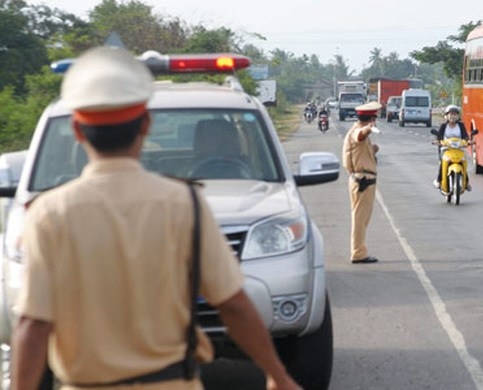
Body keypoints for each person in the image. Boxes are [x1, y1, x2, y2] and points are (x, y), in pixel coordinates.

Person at [10, 46, 300, 390]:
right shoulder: (185, 204)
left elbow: (34, 324)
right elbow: (233, 305)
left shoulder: (49, 213)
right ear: (145, 125)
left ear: (77, 130)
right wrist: (277, 375)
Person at [342, 101, 382, 264]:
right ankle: (358, 253)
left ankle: (359, 250)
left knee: (362, 218)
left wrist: (372, 150)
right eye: (374, 119)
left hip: (363, 180)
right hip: (362, 180)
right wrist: (368, 128)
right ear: (370, 119)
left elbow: (359, 149)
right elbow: (360, 135)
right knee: (359, 218)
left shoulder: (358, 133)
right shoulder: (357, 131)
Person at [432, 104, 472, 191]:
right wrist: (437, 141)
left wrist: (468, 141)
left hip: (458, 148)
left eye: (455, 114)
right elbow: (439, 137)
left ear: (458, 116)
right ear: (446, 115)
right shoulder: (443, 126)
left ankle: (467, 182)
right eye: (451, 114)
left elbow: (465, 136)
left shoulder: (461, 125)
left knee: (462, 161)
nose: (453, 116)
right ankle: (439, 180)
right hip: (446, 148)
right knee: (443, 162)